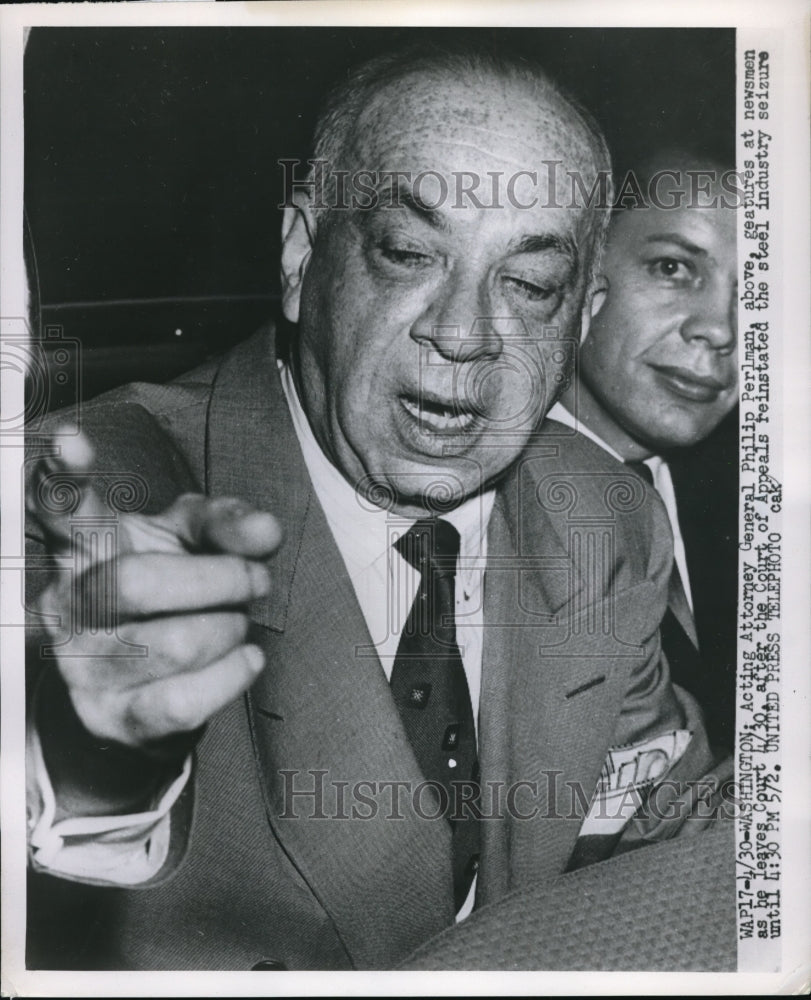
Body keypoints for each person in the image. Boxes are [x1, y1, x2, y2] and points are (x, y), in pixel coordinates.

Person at [25, 45, 723, 971]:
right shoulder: (74, 502)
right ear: (300, 253)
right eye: (406, 253)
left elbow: (660, 830)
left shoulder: (605, 516)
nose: (464, 334)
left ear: (581, 311)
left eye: (528, 284)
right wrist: (90, 773)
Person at [550, 151, 738, 750]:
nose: (722, 329)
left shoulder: (757, 503)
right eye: (673, 268)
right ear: (580, 268)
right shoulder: (464, 501)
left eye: (761, 292)